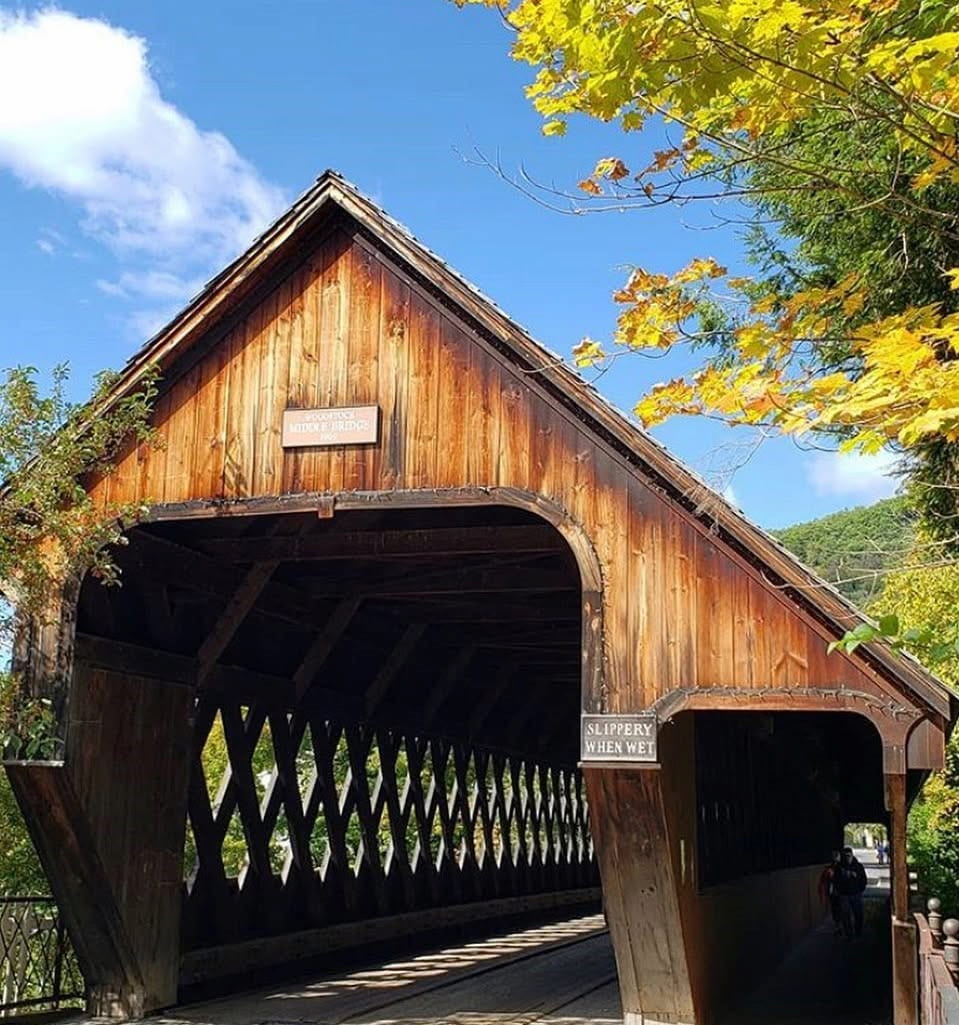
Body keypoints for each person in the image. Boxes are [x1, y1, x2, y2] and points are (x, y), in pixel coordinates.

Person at [834, 846, 868, 938]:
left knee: (859, 914)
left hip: (856, 894)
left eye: (849, 855)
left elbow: (864, 880)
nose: (847, 858)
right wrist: (839, 889)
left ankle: (858, 932)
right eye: (845, 856)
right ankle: (849, 935)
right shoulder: (839, 867)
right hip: (844, 895)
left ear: (852, 855)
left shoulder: (858, 866)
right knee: (845, 916)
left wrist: (860, 889)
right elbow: (835, 880)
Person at [818, 850, 843, 936]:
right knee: (835, 910)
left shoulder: (841, 867)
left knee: (840, 910)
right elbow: (824, 881)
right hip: (833, 892)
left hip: (840, 892)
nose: (836, 858)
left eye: (837, 856)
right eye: (835, 856)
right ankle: (838, 927)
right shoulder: (829, 868)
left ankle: (841, 927)